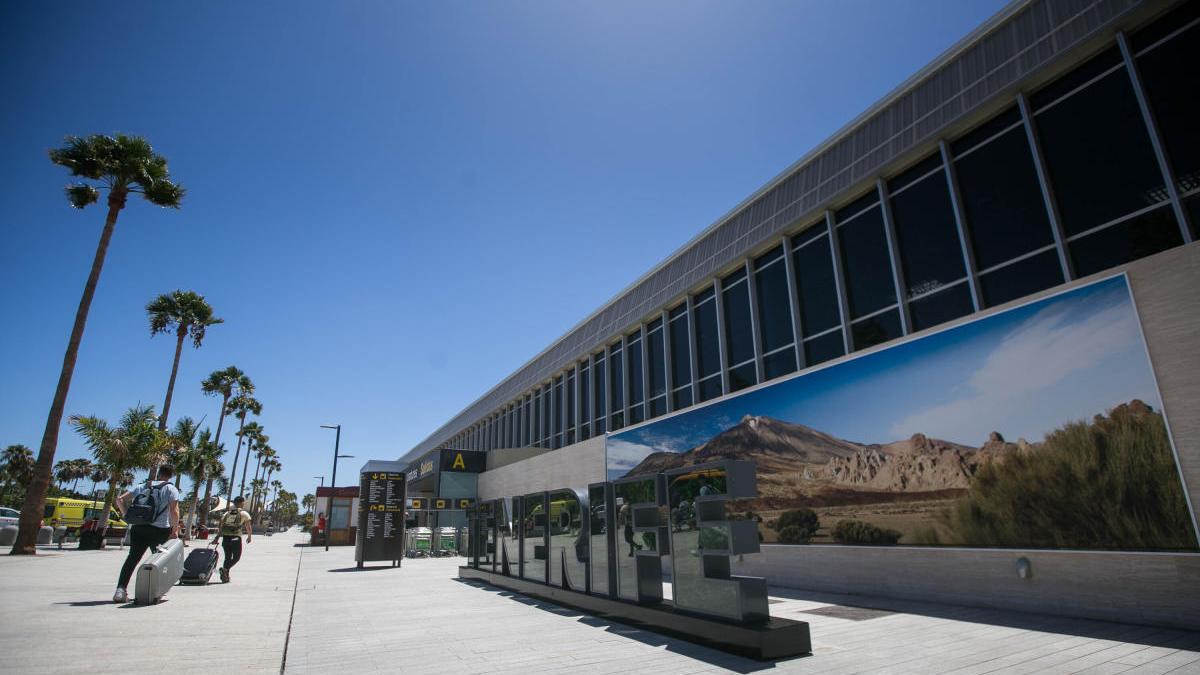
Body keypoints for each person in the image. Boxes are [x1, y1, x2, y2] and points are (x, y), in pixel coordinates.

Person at [112, 464, 181, 603]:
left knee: (132, 559)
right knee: (160, 560)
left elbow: (119, 499)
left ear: (159, 473)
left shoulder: (143, 485)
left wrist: (127, 516)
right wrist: (175, 530)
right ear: (171, 475)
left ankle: (120, 590)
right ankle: (155, 590)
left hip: (139, 528)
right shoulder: (171, 488)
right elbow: (174, 511)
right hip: (160, 530)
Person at [217, 496, 252, 583]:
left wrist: (217, 536)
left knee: (227, 557)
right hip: (236, 538)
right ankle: (225, 570)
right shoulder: (244, 513)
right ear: (241, 503)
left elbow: (220, 525)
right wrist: (249, 536)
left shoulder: (227, 513)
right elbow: (248, 526)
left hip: (225, 537)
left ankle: (225, 577)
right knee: (236, 557)